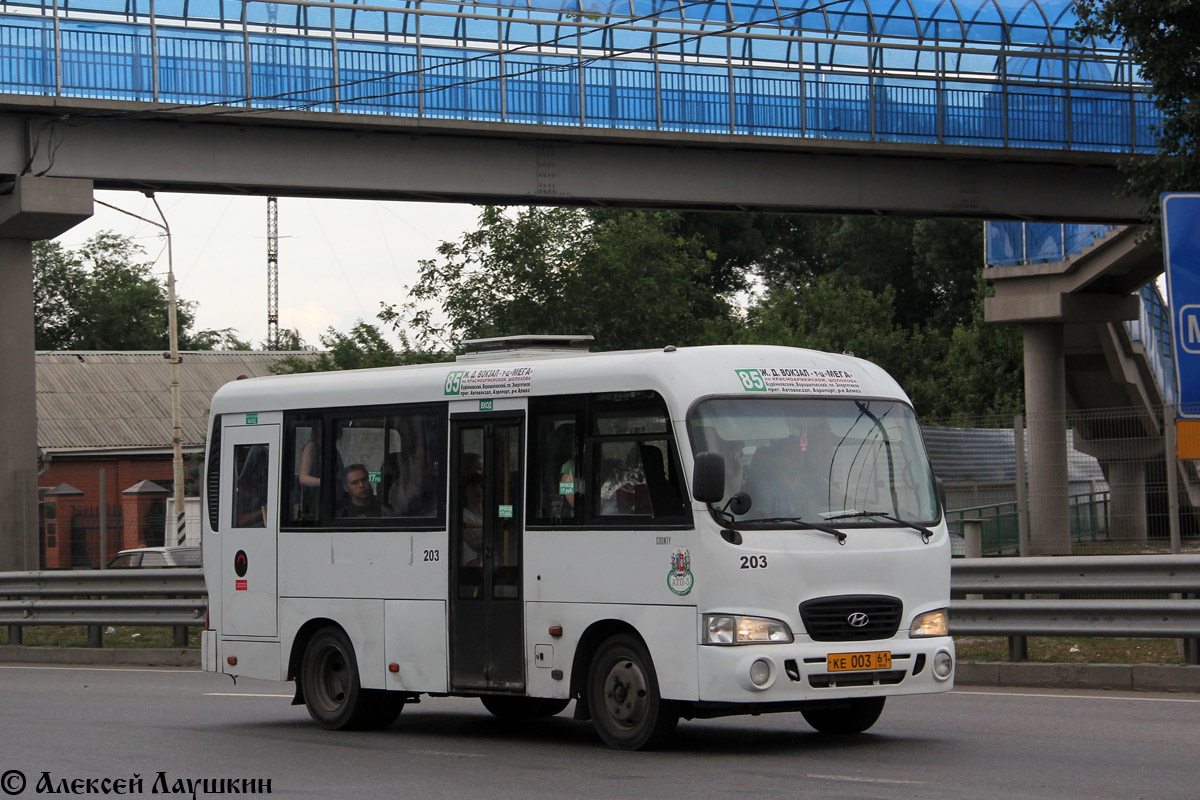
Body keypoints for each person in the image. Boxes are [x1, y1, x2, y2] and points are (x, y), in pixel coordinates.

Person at [461, 473, 484, 564]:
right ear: (465, 493)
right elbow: (474, 544)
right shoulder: (463, 515)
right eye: (473, 487)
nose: (479, 490)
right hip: (472, 561)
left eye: (481, 487)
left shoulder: (489, 513)